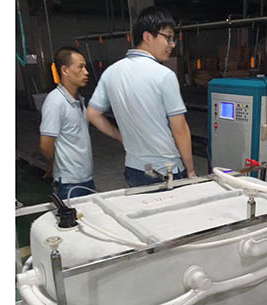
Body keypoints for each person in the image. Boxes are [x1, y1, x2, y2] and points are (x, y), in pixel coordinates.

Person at [86, 6, 196, 187]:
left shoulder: (111, 72)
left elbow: (92, 114)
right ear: (147, 37)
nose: (172, 44)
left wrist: (121, 136)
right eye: (168, 37)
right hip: (165, 170)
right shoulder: (164, 75)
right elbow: (180, 129)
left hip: (134, 169)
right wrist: (190, 171)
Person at [39, 46, 122, 200]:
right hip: (69, 183)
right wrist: (56, 163)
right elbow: (46, 144)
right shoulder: (55, 102)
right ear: (65, 70)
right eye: (80, 67)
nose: (86, 72)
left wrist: (120, 136)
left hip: (85, 179)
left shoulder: (79, 100)